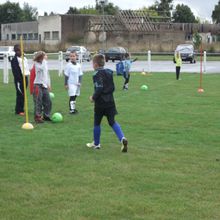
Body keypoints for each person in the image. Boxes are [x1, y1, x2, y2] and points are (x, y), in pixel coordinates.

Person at [87, 54, 128, 153]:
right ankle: (122, 138)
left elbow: (99, 87)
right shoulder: (109, 72)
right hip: (110, 101)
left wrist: (93, 97)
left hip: (100, 103)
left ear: (95, 64)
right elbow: (113, 87)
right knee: (112, 122)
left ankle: (97, 144)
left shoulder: (96, 74)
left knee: (97, 122)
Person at [33, 51, 52, 123]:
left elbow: (46, 75)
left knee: (48, 101)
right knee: (38, 102)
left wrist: (48, 84)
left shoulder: (45, 63)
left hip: (44, 85)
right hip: (37, 85)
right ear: (41, 57)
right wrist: (44, 60)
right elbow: (41, 68)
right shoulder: (37, 64)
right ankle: (37, 117)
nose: (46, 57)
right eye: (44, 56)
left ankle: (46, 116)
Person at [11, 44, 30, 115]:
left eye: (21, 50)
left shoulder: (24, 58)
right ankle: (19, 110)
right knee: (20, 94)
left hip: (25, 78)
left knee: (24, 94)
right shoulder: (14, 60)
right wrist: (20, 80)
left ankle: (22, 108)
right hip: (19, 80)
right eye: (19, 50)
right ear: (16, 51)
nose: (21, 51)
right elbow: (15, 72)